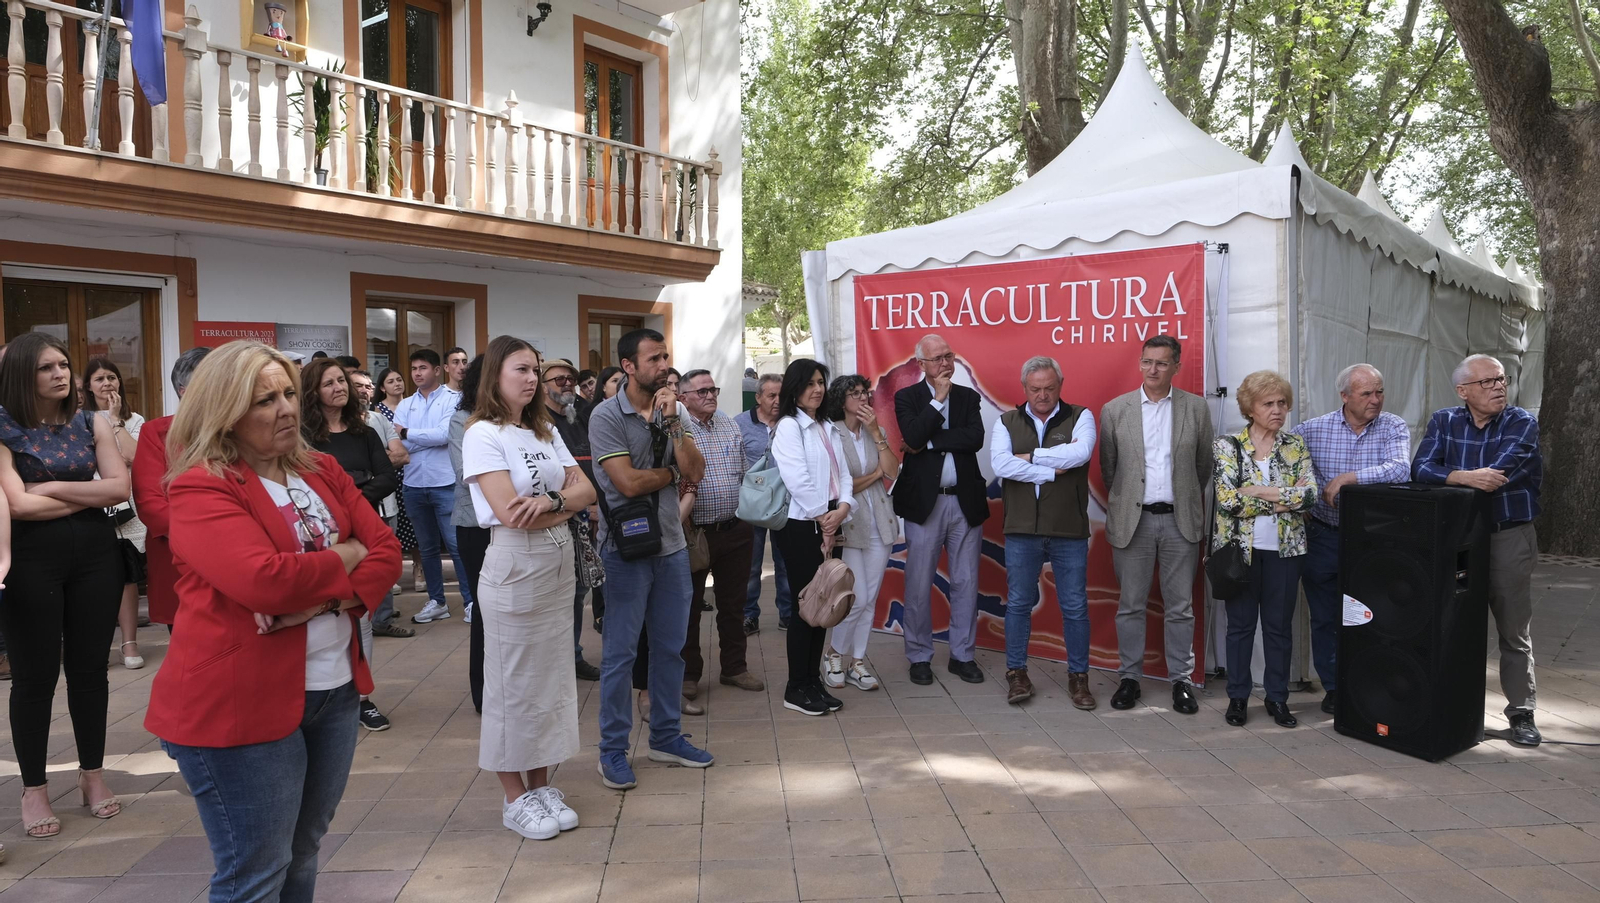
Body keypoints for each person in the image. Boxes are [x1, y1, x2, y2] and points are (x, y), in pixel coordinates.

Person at [148, 341, 400, 903]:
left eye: (289, 392)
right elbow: (266, 581)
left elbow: (386, 551)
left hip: (333, 690)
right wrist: (348, 554)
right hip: (240, 702)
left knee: (303, 850)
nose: (286, 408)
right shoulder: (200, 485)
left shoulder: (323, 468)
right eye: (265, 400)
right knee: (255, 872)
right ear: (225, 414)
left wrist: (323, 600)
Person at [463, 335, 596, 840]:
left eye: (535, 370)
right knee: (512, 684)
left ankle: (540, 784)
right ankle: (513, 795)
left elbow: (587, 489)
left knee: (550, 678)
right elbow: (510, 516)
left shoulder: (544, 429)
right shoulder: (483, 434)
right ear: (495, 375)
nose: (532, 378)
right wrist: (559, 502)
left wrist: (549, 502)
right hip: (516, 564)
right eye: (521, 369)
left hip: (558, 562)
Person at [1, 332, 126, 838]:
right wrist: (88, 495)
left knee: (90, 671)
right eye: (46, 367)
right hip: (32, 560)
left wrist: (50, 487)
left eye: (63, 365)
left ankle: (92, 775)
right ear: (21, 376)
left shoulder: (92, 421)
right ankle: (34, 789)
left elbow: (121, 488)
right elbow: (17, 506)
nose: (61, 374)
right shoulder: (4, 427)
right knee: (34, 678)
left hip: (97, 555)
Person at [589, 328, 711, 790]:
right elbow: (627, 484)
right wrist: (672, 472)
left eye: (666, 357)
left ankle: (665, 736)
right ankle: (612, 752)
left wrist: (676, 423)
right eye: (655, 359)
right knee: (620, 655)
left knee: (670, 648)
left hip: (672, 549)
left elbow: (696, 472)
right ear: (629, 367)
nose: (665, 366)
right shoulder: (606, 416)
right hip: (626, 552)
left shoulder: (671, 412)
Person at [1414, 354, 1544, 746]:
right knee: (1450, 623)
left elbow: (1499, 474)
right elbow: (1420, 468)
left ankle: (1522, 713)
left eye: (1501, 380)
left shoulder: (1522, 421)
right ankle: (1450, 706)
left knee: (1512, 627)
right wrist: (1461, 475)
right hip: (1458, 539)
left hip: (1507, 535)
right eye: (1487, 382)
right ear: (1463, 391)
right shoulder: (1444, 420)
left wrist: (1451, 476)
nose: (1498, 387)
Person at [1099, 335, 1214, 714]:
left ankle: (1181, 681)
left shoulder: (1196, 409)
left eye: (1162, 363)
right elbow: (1110, 468)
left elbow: (1202, 467)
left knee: (1180, 607)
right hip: (1134, 521)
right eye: (1147, 362)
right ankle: (1129, 678)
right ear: (1139, 363)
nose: (1153, 370)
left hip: (1180, 521)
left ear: (1176, 367)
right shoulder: (1116, 410)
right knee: (1130, 604)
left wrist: (1180, 497)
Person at [1291, 363, 1411, 715]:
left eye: (1380, 392)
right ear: (1344, 397)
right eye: (1367, 394)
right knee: (1326, 617)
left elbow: (1401, 469)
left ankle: (1371, 681)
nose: (1376, 400)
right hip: (1324, 537)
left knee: (1374, 615)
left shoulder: (1392, 425)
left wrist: (1350, 478)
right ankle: (1334, 687)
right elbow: (1291, 468)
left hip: (1374, 541)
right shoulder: (1311, 430)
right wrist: (1302, 498)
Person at [990, 356, 1098, 708]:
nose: (1042, 395)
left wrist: (1030, 457)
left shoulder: (1081, 416)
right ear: (1024, 388)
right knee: (1019, 604)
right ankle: (1017, 675)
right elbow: (1001, 465)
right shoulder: (1006, 421)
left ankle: (1079, 678)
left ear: (1060, 386)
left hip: (1068, 528)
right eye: (1035, 389)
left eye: (1049, 388)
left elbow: (1080, 454)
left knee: (1075, 606)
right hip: (1022, 528)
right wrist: (1051, 469)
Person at [1212, 370, 1316, 728]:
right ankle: (1238, 698)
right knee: (1240, 627)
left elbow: (1310, 495)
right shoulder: (1228, 446)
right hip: (1240, 553)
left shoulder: (1295, 445)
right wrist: (1285, 499)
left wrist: (1255, 491)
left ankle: (1277, 698)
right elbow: (1227, 501)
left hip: (1286, 551)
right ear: (1250, 408)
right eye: (1268, 403)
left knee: (1278, 627)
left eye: (1282, 403)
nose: (1278, 410)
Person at [301, 359, 400, 733]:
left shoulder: (364, 431)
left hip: (363, 527)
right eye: (328, 383)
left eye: (341, 381)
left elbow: (388, 476)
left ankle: (362, 698)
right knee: (326, 610)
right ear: (314, 391)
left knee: (362, 612)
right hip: (321, 532)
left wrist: (352, 498)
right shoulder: (305, 437)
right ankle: (326, 692)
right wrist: (344, 501)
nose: (338, 388)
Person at [892, 334, 988, 686]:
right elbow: (911, 436)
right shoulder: (907, 397)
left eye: (949, 356)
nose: (946, 363)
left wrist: (929, 442)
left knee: (966, 582)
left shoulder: (968, 397)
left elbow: (973, 439)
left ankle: (962, 655)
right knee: (918, 582)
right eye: (938, 359)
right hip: (924, 505)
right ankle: (919, 655)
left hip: (965, 501)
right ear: (922, 365)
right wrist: (937, 402)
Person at [771, 359, 853, 715]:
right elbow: (796, 478)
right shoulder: (789, 427)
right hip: (803, 525)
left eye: (821, 382)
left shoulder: (828, 427)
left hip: (831, 520)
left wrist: (844, 508)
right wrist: (824, 517)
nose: (817, 389)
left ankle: (812, 681)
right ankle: (796, 686)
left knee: (827, 604)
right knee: (807, 606)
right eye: (809, 383)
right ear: (795, 387)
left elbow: (845, 473)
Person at [678, 369, 765, 698]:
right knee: (690, 607)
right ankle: (689, 674)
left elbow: (743, 470)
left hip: (736, 528)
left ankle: (735, 668)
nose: (710, 395)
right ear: (683, 398)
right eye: (701, 391)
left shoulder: (729, 423)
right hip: (695, 533)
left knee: (734, 604)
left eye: (712, 389)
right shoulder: (678, 429)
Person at [824, 374, 896, 692]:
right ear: (841, 400)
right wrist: (875, 474)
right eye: (855, 394)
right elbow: (840, 485)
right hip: (851, 525)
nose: (863, 398)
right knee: (855, 597)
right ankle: (834, 655)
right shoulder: (831, 433)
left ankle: (857, 661)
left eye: (865, 392)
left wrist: (877, 433)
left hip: (880, 521)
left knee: (869, 600)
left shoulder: (871, 431)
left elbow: (892, 471)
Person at [133, 346, 211, 636]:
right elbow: (150, 502)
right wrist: (211, 533)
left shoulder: (242, 430)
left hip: (241, 558)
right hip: (181, 560)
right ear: (183, 391)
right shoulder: (157, 433)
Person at [395, 349, 475, 624]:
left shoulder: (453, 400)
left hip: (445, 483)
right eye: (414, 368)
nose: (417, 373)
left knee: (456, 546)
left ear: (437, 371)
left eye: (423, 368)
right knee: (426, 548)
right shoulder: (405, 404)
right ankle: (437, 601)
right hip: (413, 483)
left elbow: (445, 435)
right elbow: (399, 444)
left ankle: (470, 601)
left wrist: (408, 434)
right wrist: (413, 438)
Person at [83, 357, 149, 670]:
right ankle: (98, 646)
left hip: (128, 508)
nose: (107, 383)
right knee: (93, 579)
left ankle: (130, 643)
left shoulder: (135, 420)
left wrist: (115, 421)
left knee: (127, 575)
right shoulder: (78, 421)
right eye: (100, 379)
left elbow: (135, 456)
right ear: (88, 386)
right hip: (92, 506)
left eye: (112, 377)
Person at [541, 358, 602, 682]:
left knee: (578, 591)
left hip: (587, 518)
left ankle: (572, 656)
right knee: (553, 595)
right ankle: (555, 660)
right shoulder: (537, 422)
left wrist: (596, 508)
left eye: (571, 378)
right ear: (543, 384)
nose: (567, 383)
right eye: (559, 378)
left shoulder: (583, 413)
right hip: (552, 520)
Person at [348, 369, 413, 639]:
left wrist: (368, 470)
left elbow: (401, 455)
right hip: (351, 508)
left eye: (369, 386)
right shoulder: (331, 426)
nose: (365, 390)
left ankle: (382, 618)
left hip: (386, 504)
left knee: (386, 562)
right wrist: (377, 466)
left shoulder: (377, 418)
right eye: (358, 386)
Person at [449, 357, 492, 711]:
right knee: (486, 608)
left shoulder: (524, 421)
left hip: (518, 526)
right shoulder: (462, 420)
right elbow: (467, 472)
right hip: (476, 526)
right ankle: (483, 692)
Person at [737, 373, 790, 635]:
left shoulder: (791, 423)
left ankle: (788, 613)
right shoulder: (739, 424)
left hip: (785, 505)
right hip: (753, 506)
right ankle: (749, 615)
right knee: (750, 565)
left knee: (785, 562)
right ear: (758, 397)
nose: (778, 401)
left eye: (782, 395)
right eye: (771, 395)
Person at [374, 366, 421, 596]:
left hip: (413, 469)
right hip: (391, 473)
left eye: (399, 379)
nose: (397, 384)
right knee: (393, 525)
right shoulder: (378, 412)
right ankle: (393, 573)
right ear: (382, 387)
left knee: (414, 524)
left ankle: (418, 568)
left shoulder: (412, 404)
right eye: (391, 381)